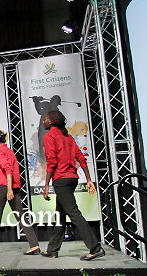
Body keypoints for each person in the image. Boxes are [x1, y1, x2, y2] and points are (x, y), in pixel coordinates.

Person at [40, 110, 104, 260]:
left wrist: (47, 184)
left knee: (73, 213)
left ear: (51, 121)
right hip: (71, 179)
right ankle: (52, 249)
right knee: (60, 214)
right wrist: (88, 179)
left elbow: (52, 161)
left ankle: (95, 248)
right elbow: (81, 157)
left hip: (61, 179)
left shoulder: (49, 136)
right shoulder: (68, 137)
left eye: (45, 119)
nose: (43, 121)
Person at [0, 131, 40, 255]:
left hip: (4, 186)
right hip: (12, 185)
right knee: (20, 215)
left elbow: (7, 169)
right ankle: (34, 245)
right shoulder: (9, 150)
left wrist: (8, 189)